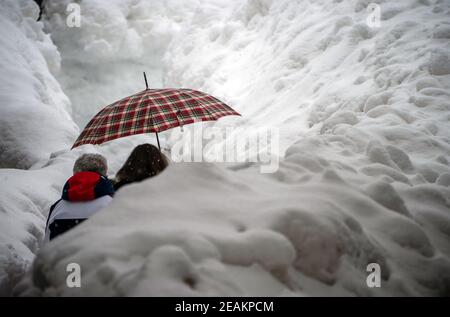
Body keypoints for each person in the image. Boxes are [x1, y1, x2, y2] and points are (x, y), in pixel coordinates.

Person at [44, 153, 114, 242]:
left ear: (75, 173)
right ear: (104, 173)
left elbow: (46, 246)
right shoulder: (114, 205)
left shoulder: (57, 208)